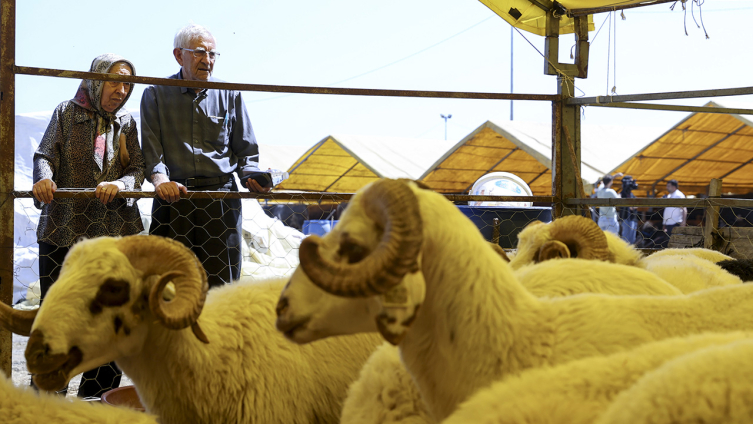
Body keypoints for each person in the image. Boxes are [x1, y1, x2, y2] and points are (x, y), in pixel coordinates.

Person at [32, 53, 144, 398]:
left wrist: (123, 186)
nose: (122, 91)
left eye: (128, 84)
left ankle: (94, 401)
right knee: (57, 316)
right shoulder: (66, 112)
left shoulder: (126, 122)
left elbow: (138, 169)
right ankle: (47, 400)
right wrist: (43, 179)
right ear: (96, 80)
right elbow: (45, 155)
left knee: (106, 318)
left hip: (109, 235)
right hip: (63, 228)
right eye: (115, 81)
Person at [141, 23, 269, 288]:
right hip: (174, 198)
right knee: (170, 285)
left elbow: (246, 152)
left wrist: (253, 178)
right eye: (200, 52)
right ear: (179, 55)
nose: (208, 60)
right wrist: (160, 180)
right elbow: (152, 151)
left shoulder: (230, 93)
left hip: (220, 200)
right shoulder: (155, 94)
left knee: (222, 285)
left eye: (213, 54)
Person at [618, 175, 639, 245]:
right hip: (625, 218)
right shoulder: (622, 193)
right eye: (630, 181)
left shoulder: (631, 194)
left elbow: (636, 205)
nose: (632, 183)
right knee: (625, 239)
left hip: (633, 218)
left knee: (632, 240)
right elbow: (618, 200)